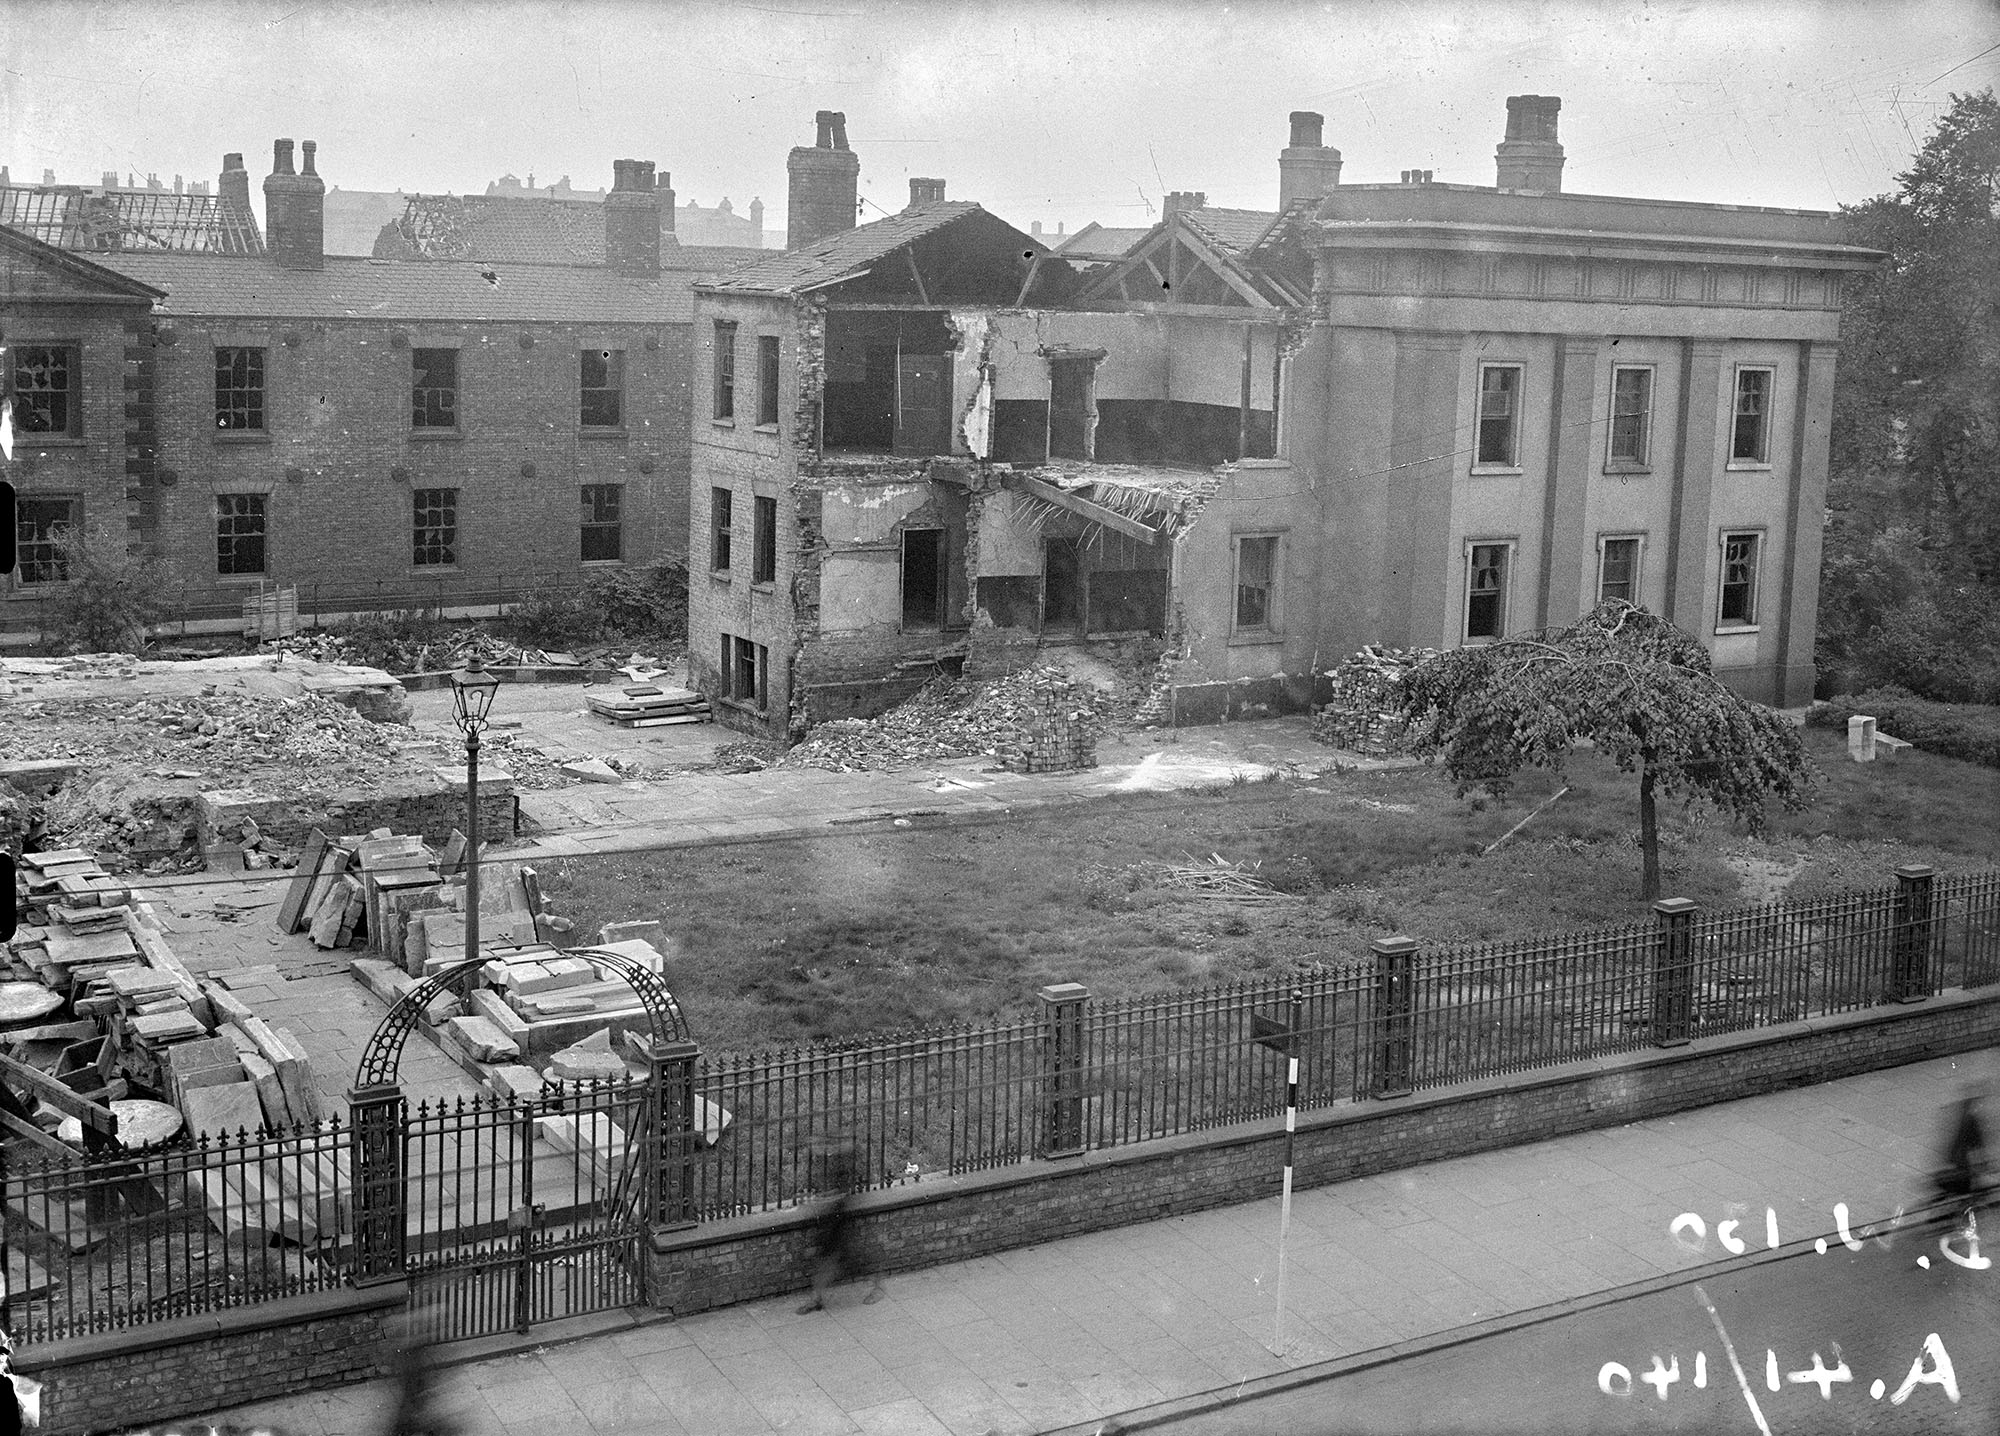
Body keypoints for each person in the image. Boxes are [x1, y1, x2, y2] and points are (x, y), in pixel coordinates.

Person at [797, 1145, 885, 1314]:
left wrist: (819, 1202)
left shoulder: (842, 1169)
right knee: (826, 1261)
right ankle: (816, 1299)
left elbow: (839, 1195)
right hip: (830, 1220)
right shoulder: (832, 1167)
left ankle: (877, 1286)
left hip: (839, 1219)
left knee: (849, 1259)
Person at [1929, 1087, 1991, 1220]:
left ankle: (1946, 1209)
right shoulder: (1971, 1121)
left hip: (1953, 1167)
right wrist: (1985, 1165)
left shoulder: (1960, 1119)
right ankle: (1957, 1218)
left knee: (1963, 1190)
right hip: (1961, 1170)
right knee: (1973, 1191)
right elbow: (1978, 1148)